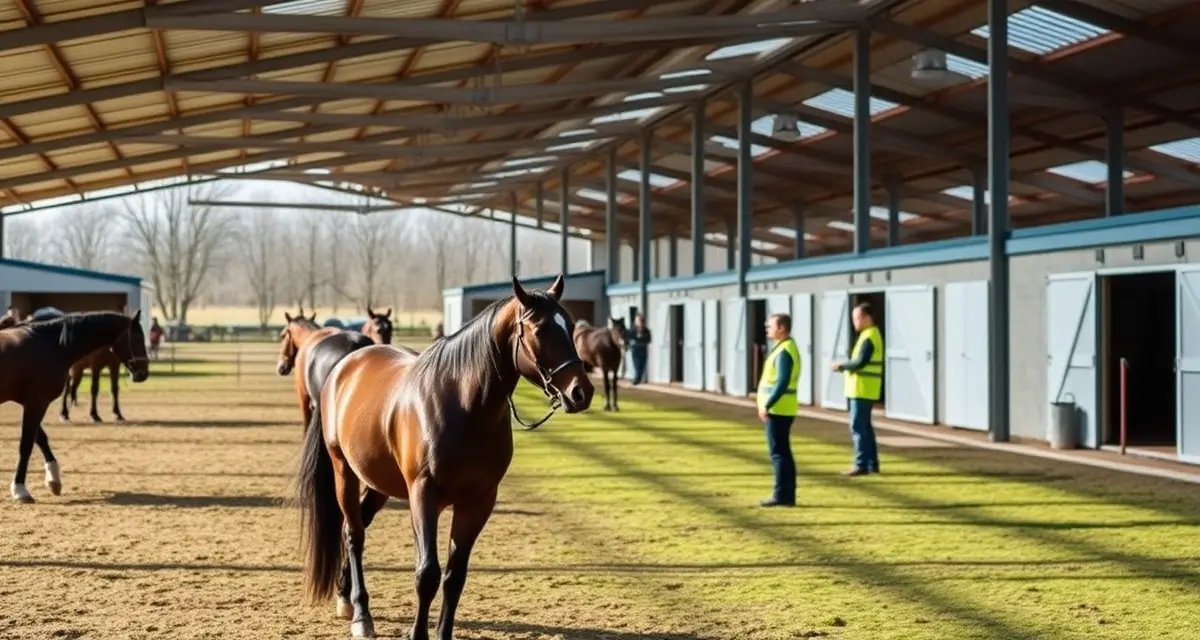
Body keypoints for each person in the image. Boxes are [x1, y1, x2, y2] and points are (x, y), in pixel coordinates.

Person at [831, 302, 884, 476]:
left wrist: (841, 366)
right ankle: (872, 464)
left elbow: (860, 362)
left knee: (858, 427)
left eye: (857, 317)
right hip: (865, 388)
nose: (855, 321)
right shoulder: (871, 335)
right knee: (866, 428)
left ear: (867, 317)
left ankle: (861, 464)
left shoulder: (868, 337)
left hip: (861, 388)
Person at [756, 312, 800, 507]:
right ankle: (786, 494)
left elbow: (782, 382)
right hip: (783, 408)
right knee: (783, 452)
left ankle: (781, 495)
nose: (767, 328)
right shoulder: (783, 347)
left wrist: (768, 404)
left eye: (770, 326)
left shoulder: (784, 351)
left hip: (778, 409)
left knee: (778, 453)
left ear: (781, 328)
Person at [625, 314, 651, 385]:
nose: (638, 322)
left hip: (643, 350)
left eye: (639, 321)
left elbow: (648, 340)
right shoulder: (632, 330)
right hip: (635, 350)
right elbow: (627, 337)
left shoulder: (646, 330)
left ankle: (638, 378)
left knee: (642, 366)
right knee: (636, 365)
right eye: (637, 321)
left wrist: (640, 340)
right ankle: (636, 379)